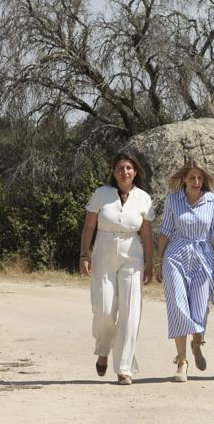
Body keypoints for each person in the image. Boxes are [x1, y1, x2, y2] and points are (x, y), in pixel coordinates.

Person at [79, 151, 154, 386]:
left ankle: (124, 368)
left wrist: (151, 262)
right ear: (114, 172)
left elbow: (147, 234)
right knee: (104, 309)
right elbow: (89, 227)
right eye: (120, 168)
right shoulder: (101, 194)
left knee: (131, 312)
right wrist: (84, 254)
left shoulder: (143, 198)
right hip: (103, 252)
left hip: (132, 255)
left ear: (135, 172)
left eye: (129, 168)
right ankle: (103, 348)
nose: (125, 172)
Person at [155, 160, 214, 383]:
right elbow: (165, 230)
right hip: (176, 255)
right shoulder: (173, 200)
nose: (196, 182)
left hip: (203, 256)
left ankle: (197, 343)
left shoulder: (213, 200)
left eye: (200, 178)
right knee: (177, 304)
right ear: (184, 179)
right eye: (192, 177)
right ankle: (182, 361)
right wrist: (158, 260)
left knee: (199, 306)